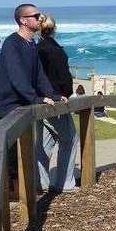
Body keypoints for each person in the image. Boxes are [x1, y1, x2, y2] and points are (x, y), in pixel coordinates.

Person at [0, 4, 57, 187]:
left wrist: (52, 95)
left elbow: (39, 74)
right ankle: (9, 193)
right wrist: (35, 98)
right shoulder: (12, 43)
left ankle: (22, 192)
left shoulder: (31, 43)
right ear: (23, 20)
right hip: (8, 105)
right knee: (13, 154)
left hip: (22, 104)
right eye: (36, 16)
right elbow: (16, 76)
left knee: (24, 151)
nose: (40, 18)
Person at [35, 14, 77, 193]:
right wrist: (65, 93)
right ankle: (64, 182)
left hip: (40, 99)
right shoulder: (55, 50)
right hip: (56, 98)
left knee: (45, 142)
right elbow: (63, 76)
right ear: (54, 29)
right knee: (69, 139)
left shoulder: (36, 49)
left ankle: (41, 182)